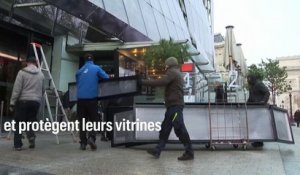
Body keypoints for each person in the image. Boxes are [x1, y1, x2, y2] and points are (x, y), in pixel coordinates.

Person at [142, 57, 194, 161]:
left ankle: (189, 152)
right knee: (165, 129)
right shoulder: (174, 72)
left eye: (166, 65)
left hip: (175, 106)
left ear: (169, 65)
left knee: (179, 128)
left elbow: (161, 82)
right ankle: (158, 150)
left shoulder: (172, 72)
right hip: (172, 106)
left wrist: (143, 82)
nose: (165, 67)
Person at [10, 56, 45, 151]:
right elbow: (43, 90)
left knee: (19, 123)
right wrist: (37, 99)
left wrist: (12, 102)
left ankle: (18, 145)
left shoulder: (22, 73)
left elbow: (17, 89)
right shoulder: (41, 74)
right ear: (36, 62)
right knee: (31, 121)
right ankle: (31, 136)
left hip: (23, 101)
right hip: (35, 102)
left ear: (27, 63)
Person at [76, 53, 109, 150]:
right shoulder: (96, 68)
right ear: (93, 60)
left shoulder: (79, 71)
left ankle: (83, 143)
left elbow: (78, 83)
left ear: (84, 60)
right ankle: (91, 137)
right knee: (94, 120)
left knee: (82, 121)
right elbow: (106, 77)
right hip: (92, 99)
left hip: (80, 99)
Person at [247, 74, 270, 148]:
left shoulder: (258, 84)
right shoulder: (252, 86)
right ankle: (257, 140)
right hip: (254, 108)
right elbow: (250, 98)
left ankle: (259, 141)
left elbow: (267, 92)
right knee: (255, 125)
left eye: (249, 78)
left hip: (259, 108)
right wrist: (246, 105)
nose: (248, 80)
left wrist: (263, 101)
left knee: (258, 125)